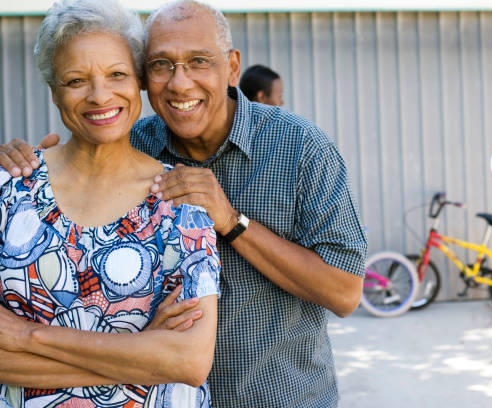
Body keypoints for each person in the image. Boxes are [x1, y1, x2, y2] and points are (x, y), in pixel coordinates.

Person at [0, 1, 367, 406]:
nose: (179, 83)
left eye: (198, 61)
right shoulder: (131, 141)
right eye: (161, 65)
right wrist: (27, 160)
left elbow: (346, 293)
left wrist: (231, 221)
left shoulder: (300, 148)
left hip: (277, 397)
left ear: (231, 67)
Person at [0, 0, 220, 406]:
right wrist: (142, 356)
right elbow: (165, 362)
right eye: (76, 80)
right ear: (54, 92)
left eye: (116, 74)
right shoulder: (9, 189)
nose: (100, 96)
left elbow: (189, 360)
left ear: (137, 81)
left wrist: (26, 337)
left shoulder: (180, 203)